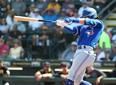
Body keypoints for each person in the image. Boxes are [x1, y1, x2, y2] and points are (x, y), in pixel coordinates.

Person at [56, 7, 104, 85]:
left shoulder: (99, 24)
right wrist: (63, 25)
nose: (84, 19)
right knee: (77, 81)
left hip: (86, 52)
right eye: (84, 17)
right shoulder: (83, 27)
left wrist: (73, 19)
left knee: (70, 77)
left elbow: (88, 21)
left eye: (86, 17)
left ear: (92, 16)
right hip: (79, 52)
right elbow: (74, 30)